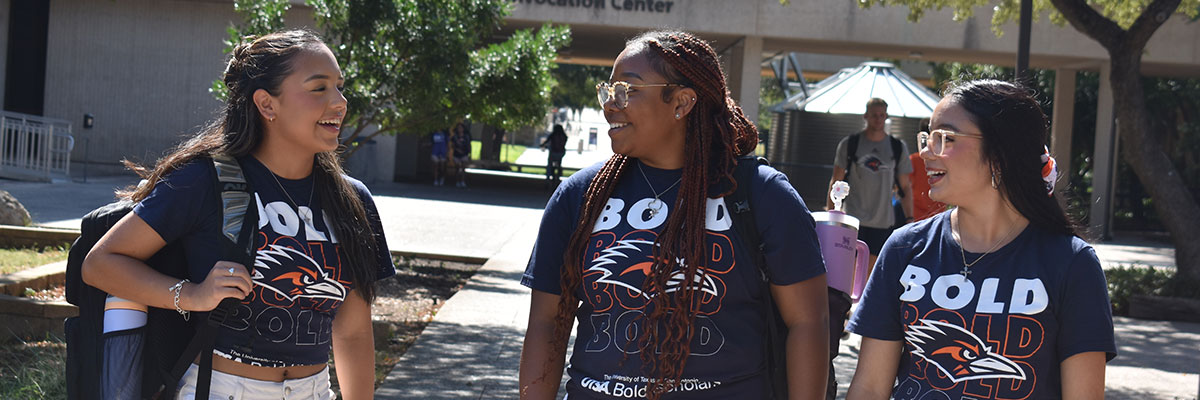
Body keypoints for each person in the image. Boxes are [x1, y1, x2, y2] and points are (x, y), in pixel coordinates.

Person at [81, 30, 394, 399]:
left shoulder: (352, 199)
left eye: (340, 87)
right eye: (319, 88)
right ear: (266, 104)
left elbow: (353, 331)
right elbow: (100, 263)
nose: (339, 102)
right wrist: (192, 295)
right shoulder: (203, 180)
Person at [519, 30, 830, 400]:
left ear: (681, 102)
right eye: (609, 90)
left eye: (628, 90)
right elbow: (545, 323)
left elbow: (808, 324)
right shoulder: (580, 196)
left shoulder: (762, 195)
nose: (610, 104)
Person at [845, 80, 1116, 399]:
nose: (926, 152)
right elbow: (870, 387)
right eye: (927, 137)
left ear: (1000, 153)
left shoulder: (1072, 263)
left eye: (944, 138)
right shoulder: (904, 249)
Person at [826, 98, 914, 272]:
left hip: (882, 220)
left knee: (872, 269)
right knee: (848, 267)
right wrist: (831, 215)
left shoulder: (897, 147)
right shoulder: (850, 144)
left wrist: (909, 218)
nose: (878, 119)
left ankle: (864, 299)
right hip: (854, 218)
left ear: (886, 116)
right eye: (874, 115)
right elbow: (836, 181)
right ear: (866, 116)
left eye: (882, 115)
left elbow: (905, 186)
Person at [908, 118, 946, 221]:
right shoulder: (944, 160)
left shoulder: (914, 159)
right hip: (938, 213)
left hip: (917, 215)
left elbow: (906, 186)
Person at [450, 122, 471, 188]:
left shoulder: (466, 136)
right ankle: (457, 181)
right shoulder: (455, 136)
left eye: (461, 128)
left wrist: (469, 152)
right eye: (459, 128)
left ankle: (463, 181)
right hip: (456, 154)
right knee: (457, 168)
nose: (460, 129)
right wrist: (457, 149)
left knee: (463, 168)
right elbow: (452, 145)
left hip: (464, 154)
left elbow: (469, 145)